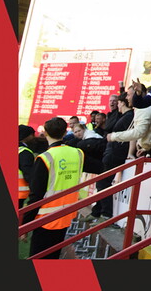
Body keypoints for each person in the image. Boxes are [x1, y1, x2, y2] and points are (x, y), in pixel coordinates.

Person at [22, 117, 100, 259]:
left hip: (45, 219)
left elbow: (36, 195)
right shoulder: (77, 153)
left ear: (45, 133)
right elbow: (101, 167)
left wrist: (25, 224)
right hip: (66, 215)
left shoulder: (45, 158)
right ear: (65, 132)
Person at [89, 92, 134, 222]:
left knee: (103, 183)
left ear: (122, 103)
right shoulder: (122, 115)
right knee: (103, 183)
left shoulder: (128, 116)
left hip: (116, 152)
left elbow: (126, 133)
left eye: (118, 102)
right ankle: (97, 211)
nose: (116, 105)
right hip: (111, 151)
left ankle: (106, 214)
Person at [18, 124, 36, 209]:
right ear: (27, 136)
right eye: (32, 135)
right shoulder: (25, 152)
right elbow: (28, 174)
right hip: (19, 194)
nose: (34, 137)